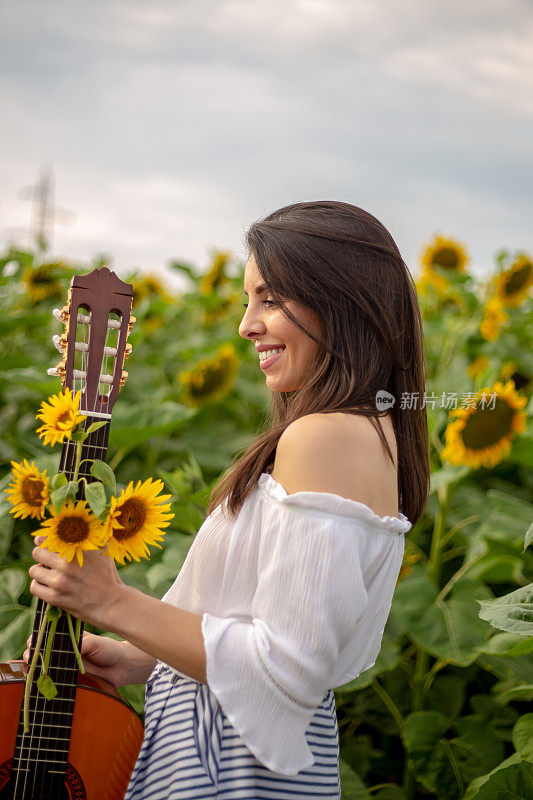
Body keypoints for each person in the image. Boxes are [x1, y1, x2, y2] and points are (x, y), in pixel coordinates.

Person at [26, 200, 430, 799]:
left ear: (340, 301)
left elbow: (287, 671)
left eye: (269, 299)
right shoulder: (365, 431)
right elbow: (276, 632)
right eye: (248, 299)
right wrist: (143, 658)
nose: (246, 324)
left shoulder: (322, 436)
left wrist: (111, 601)